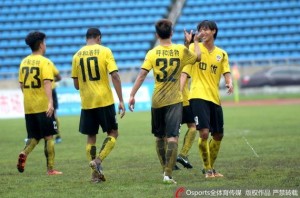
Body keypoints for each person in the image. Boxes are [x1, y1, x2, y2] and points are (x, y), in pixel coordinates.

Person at [129, 19, 201, 184]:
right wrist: (195, 42)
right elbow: (197, 57)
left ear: (156, 35)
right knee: (172, 137)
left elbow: (141, 75)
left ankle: (164, 168)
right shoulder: (180, 50)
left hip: (157, 100)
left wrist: (132, 94)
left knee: (159, 137)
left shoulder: (152, 53)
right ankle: (168, 175)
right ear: (172, 33)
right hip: (175, 100)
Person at [71, 27, 125, 183]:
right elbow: (114, 75)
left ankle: (94, 176)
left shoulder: (76, 56)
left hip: (87, 101)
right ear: (99, 38)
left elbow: (76, 85)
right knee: (113, 132)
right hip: (104, 100)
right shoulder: (105, 51)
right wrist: (121, 99)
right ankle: (98, 161)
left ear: (86, 38)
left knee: (91, 137)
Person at [181, 20, 233, 178]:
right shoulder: (193, 48)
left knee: (218, 135)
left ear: (214, 31)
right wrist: (179, 90)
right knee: (203, 133)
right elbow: (184, 72)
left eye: (205, 30)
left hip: (214, 98)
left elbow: (226, 72)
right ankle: (207, 169)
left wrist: (230, 83)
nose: (201, 33)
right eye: (199, 30)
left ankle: (211, 168)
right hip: (197, 96)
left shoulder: (221, 54)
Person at [17, 31, 62, 175]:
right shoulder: (45, 62)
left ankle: (24, 152)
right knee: (49, 136)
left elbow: (21, 85)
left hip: (29, 106)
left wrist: (29, 97)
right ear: (42, 44)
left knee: (35, 136)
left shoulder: (24, 62)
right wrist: (50, 103)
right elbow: (47, 82)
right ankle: (50, 169)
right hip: (43, 106)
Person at [175, 33, 197, 170]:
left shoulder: (175, 60)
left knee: (173, 132)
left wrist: (187, 43)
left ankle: (172, 159)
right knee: (192, 127)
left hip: (173, 100)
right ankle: (182, 154)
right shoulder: (186, 63)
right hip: (183, 100)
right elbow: (184, 75)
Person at [52, 65, 62, 143]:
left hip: (48, 91)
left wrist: (49, 81)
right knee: (53, 114)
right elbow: (59, 77)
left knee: (53, 114)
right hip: (49, 91)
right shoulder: (48, 63)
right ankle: (57, 136)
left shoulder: (47, 63)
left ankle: (57, 135)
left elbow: (59, 77)